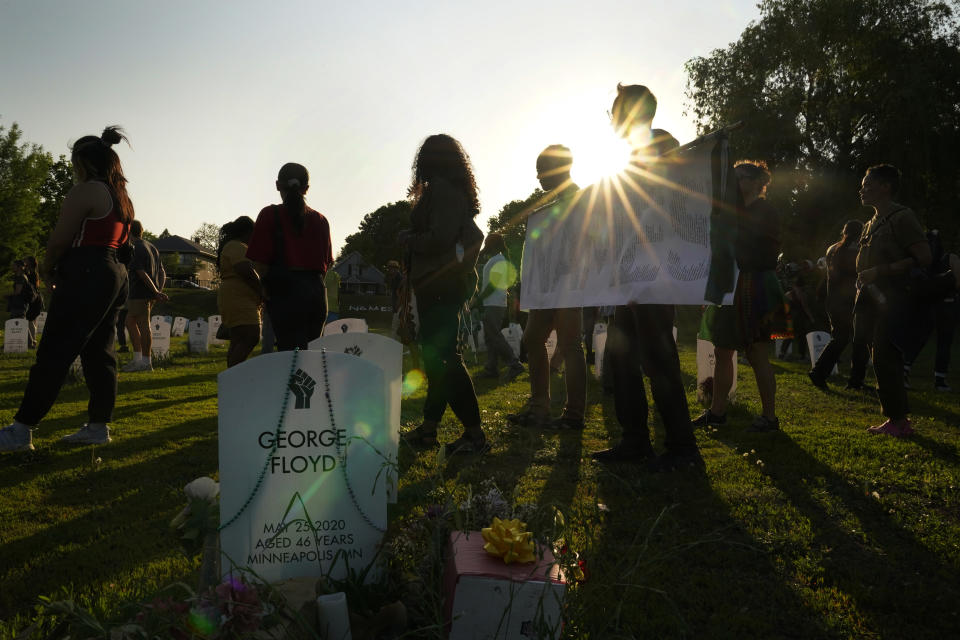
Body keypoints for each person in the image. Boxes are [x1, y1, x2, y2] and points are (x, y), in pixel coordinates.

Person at [0, 126, 133, 451]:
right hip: (114, 272)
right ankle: (99, 426)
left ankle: (22, 430)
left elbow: (60, 239)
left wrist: (46, 269)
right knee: (100, 352)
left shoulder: (86, 191)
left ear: (83, 162)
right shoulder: (121, 195)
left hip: (86, 270)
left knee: (55, 350)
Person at [590, 85, 702, 470]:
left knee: (659, 359)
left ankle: (683, 448)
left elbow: (673, 204)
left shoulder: (661, 143)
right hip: (629, 274)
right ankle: (634, 440)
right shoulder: (625, 156)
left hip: (655, 273)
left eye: (617, 109)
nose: (613, 117)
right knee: (622, 360)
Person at [399, 134, 486, 455]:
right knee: (439, 360)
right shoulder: (451, 189)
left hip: (440, 284)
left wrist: (410, 239)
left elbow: (440, 237)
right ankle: (429, 429)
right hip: (439, 284)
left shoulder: (443, 190)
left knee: (447, 360)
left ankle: (474, 435)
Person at [694, 160, 787, 432]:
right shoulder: (729, 210)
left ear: (759, 182)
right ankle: (717, 411)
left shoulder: (765, 211)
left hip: (755, 286)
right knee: (723, 351)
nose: (736, 183)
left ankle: (769, 417)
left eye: (742, 177)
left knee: (758, 353)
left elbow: (762, 253)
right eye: (733, 178)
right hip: (731, 287)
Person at [506, 145, 585, 429]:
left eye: (541, 171)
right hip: (545, 285)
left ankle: (574, 414)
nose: (538, 178)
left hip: (568, 283)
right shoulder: (547, 203)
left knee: (569, 344)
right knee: (531, 338)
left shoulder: (577, 196)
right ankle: (539, 406)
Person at [855, 164, 935, 437]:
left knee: (885, 357)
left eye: (868, 184)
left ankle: (899, 421)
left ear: (886, 187)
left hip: (894, 298)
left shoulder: (902, 217)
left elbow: (924, 257)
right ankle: (896, 419)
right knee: (879, 358)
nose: (862, 189)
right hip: (872, 300)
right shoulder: (870, 223)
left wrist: (881, 271)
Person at [246, 163, 333, 351]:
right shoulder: (321, 220)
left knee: (289, 357)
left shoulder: (269, 215)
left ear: (278, 185)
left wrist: (266, 288)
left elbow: (259, 262)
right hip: (316, 294)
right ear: (306, 188)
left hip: (284, 294)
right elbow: (326, 265)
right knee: (310, 357)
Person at [808, 220, 869, 390]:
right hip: (851, 300)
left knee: (841, 338)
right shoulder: (857, 250)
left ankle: (824, 373)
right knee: (858, 339)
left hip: (834, 299)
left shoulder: (832, 248)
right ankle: (849, 379)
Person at [472, 233, 524, 381]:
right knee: (490, 337)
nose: (485, 245)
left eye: (487, 243)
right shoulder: (495, 259)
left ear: (493, 244)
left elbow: (493, 284)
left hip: (494, 302)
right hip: (492, 302)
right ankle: (491, 368)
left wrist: (479, 299)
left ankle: (515, 364)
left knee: (494, 335)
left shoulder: (499, 260)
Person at [121, 220, 167, 372]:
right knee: (131, 322)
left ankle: (144, 362)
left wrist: (155, 292)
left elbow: (141, 273)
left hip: (139, 293)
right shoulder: (152, 247)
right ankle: (140, 360)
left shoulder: (136, 248)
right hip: (148, 294)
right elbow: (162, 272)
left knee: (142, 325)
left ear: (128, 231)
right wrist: (157, 291)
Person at [216, 216, 262, 367]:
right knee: (251, 335)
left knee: (238, 339)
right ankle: (233, 375)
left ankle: (231, 378)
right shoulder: (236, 246)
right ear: (248, 232)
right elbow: (245, 270)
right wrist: (262, 291)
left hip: (237, 297)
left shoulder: (235, 246)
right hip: (238, 298)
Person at [22, 256, 44, 348]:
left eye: (26, 260)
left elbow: (32, 288)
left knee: (30, 319)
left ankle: (32, 341)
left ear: (30, 263)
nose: (24, 261)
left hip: (33, 299)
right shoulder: (31, 273)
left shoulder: (32, 274)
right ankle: (32, 340)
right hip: (34, 299)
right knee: (31, 320)